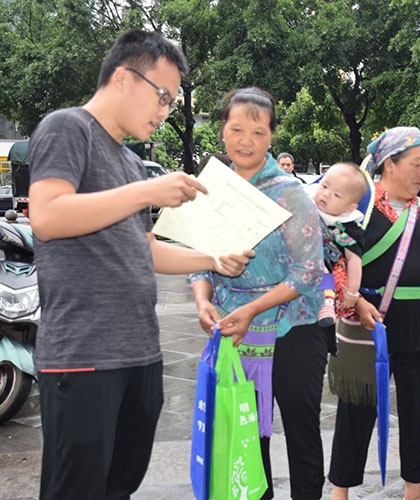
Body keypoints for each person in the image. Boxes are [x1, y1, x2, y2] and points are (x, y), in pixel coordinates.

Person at [27, 29, 252, 500]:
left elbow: (144, 249)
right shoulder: (67, 127)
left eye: (171, 101)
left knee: (119, 486)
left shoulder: (130, 163)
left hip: (139, 354)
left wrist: (213, 259)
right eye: (163, 96)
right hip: (83, 356)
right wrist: (149, 191)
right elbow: (47, 216)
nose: (166, 112)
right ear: (125, 78)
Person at [190, 87, 329, 500]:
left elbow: (309, 270)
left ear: (271, 137)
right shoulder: (211, 190)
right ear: (222, 131)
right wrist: (203, 301)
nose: (245, 140)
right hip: (234, 330)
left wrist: (252, 308)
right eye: (236, 129)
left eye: (258, 131)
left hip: (293, 328)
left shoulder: (289, 192)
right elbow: (199, 258)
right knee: (245, 434)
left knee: (302, 431)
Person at [327, 126, 420, 500]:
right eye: (416, 163)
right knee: (357, 408)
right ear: (389, 164)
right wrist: (354, 300)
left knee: (419, 409)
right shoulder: (358, 208)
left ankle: (414, 490)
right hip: (369, 324)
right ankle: (340, 490)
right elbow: (338, 262)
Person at [306, 161, 369, 327]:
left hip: (325, 267)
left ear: (350, 207)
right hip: (295, 265)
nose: (326, 194)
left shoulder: (348, 227)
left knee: (327, 265)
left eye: (337, 195)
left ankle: (327, 304)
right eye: (324, 186)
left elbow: (354, 260)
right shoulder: (304, 205)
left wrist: (352, 291)